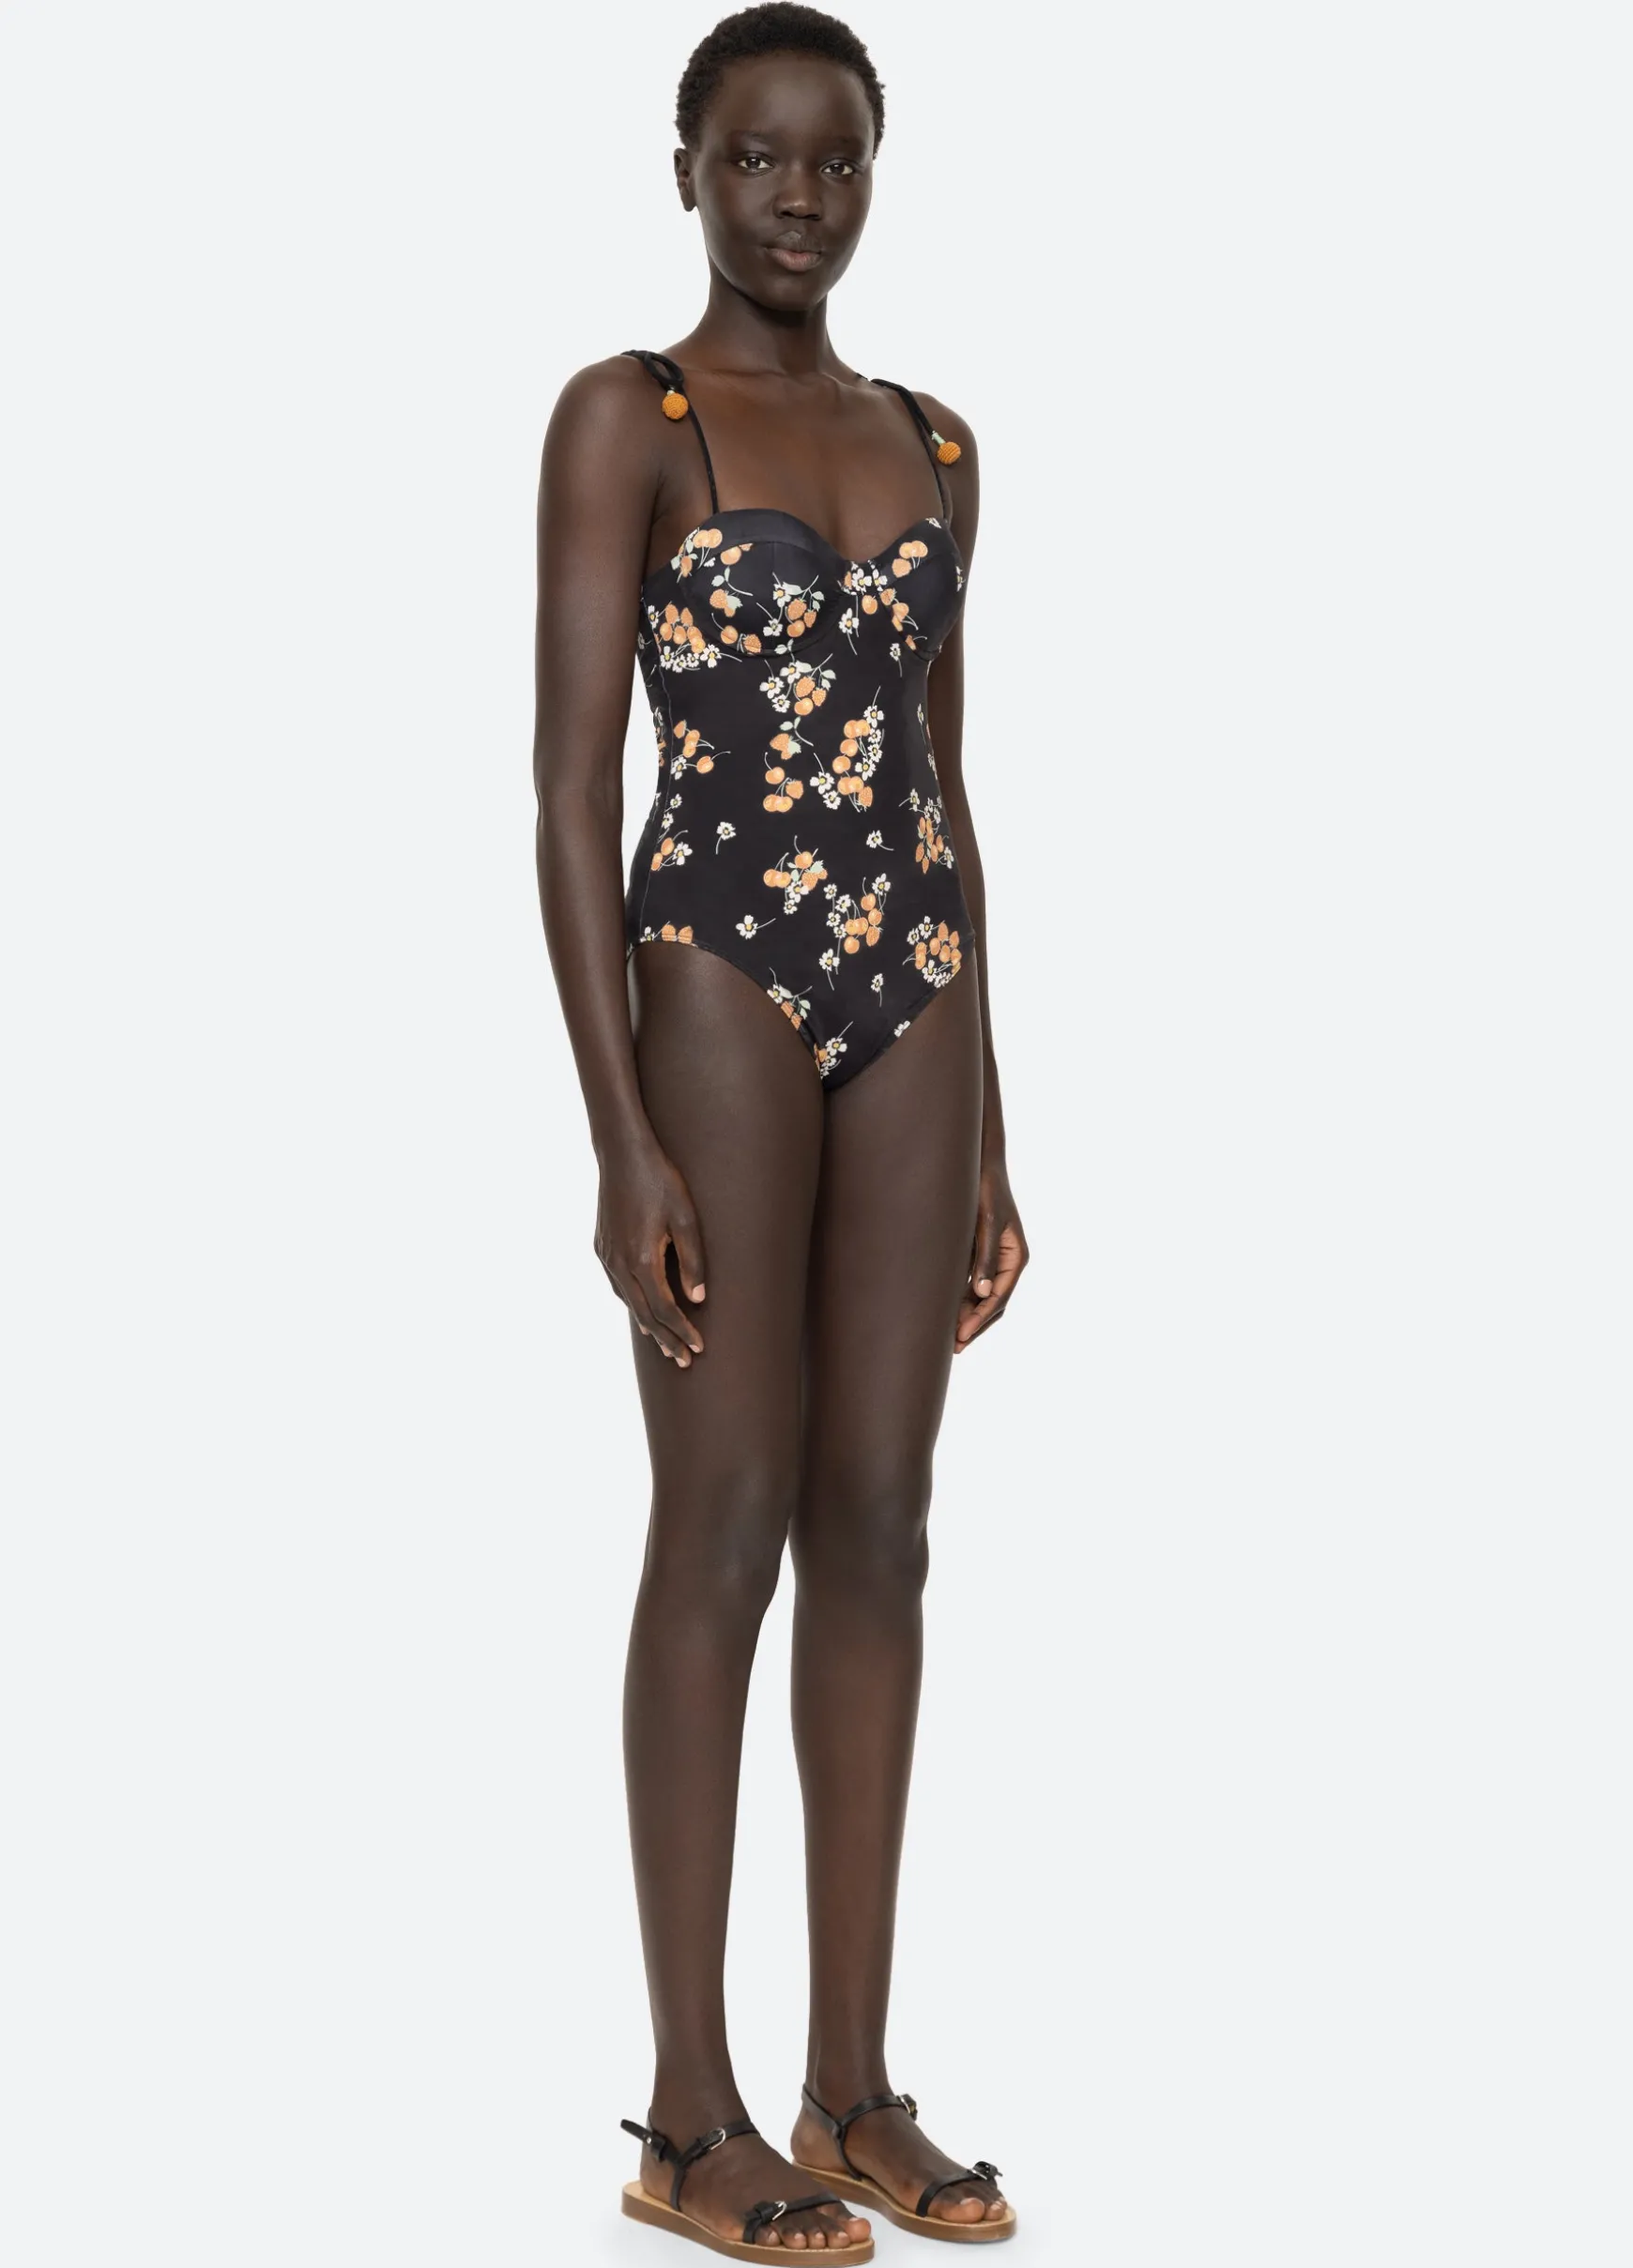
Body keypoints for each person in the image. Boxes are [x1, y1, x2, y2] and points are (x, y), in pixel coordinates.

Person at [534, 6, 1027, 2251]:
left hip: (913, 987)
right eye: (756, 159)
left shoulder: (939, 443)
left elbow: (944, 783)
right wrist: (619, 1132)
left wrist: (994, 1115)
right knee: (722, 1521)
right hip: (716, 977)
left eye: (834, 162)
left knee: (885, 1524)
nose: (798, 199)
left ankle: (852, 2089)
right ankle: (684, 2115)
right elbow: (567, 788)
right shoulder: (625, 418)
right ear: (688, 172)